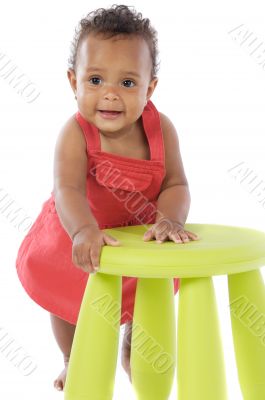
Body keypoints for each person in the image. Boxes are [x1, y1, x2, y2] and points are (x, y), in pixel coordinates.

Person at [15, 4, 199, 391]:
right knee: (65, 298)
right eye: (95, 80)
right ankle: (71, 357)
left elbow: (176, 183)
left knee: (146, 298)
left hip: (135, 239)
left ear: (150, 88)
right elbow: (67, 188)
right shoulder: (76, 133)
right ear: (73, 81)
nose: (110, 95)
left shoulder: (161, 129)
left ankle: (133, 344)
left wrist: (170, 219)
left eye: (128, 84)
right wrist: (83, 229)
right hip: (78, 230)